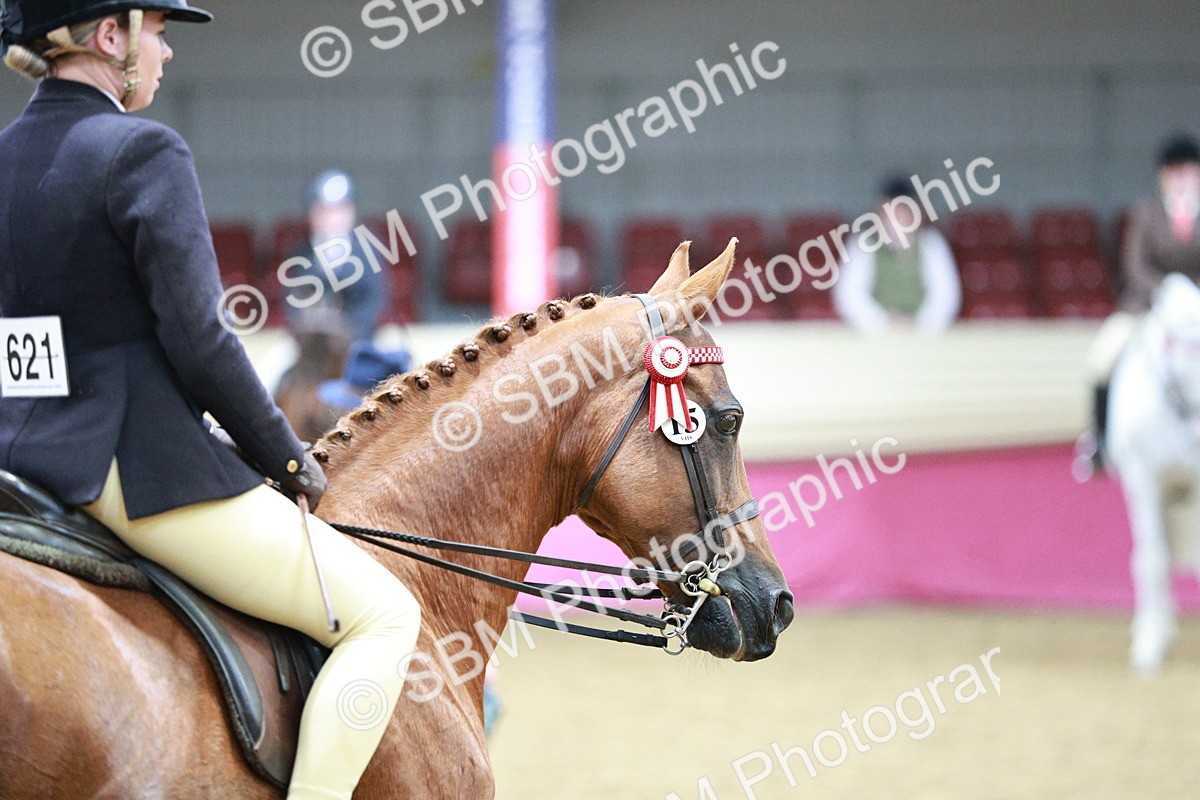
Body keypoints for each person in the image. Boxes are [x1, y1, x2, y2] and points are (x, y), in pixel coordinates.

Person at [0, 3, 420, 798]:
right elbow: (200, 340)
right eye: (156, 30)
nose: (166, 51)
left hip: (19, 457)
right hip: (128, 466)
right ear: (108, 37)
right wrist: (286, 457)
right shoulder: (141, 150)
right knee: (383, 617)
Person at [1075, 133, 1200, 478]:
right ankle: (1099, 441)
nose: (1182, 179)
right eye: (1175, 172)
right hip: (1149, 307)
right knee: (1101, 358)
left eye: (1189, 171)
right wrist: (1165, 293)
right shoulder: (1147, 214)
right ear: (1163, 176)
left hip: (1197, 312)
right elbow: (1135, 264)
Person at [833, 176, 962, 335]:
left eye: (903, 210)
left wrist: (920, 325)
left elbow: (945, 295)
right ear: (879, 211)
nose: (896, 217)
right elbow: (849, 295)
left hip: (923, 336)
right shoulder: (862, 244)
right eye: (890, 210)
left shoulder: (932, 244)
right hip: (876, 338)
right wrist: (883, 323)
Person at [287, 170, 390, 346]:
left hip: (358, 343)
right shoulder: (301, 251)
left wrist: (345, 334)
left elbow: (374, 300)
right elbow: (293, 301)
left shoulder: (367, 248)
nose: (332, 219)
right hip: (314, 347)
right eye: (324, 211)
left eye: (340, 210)